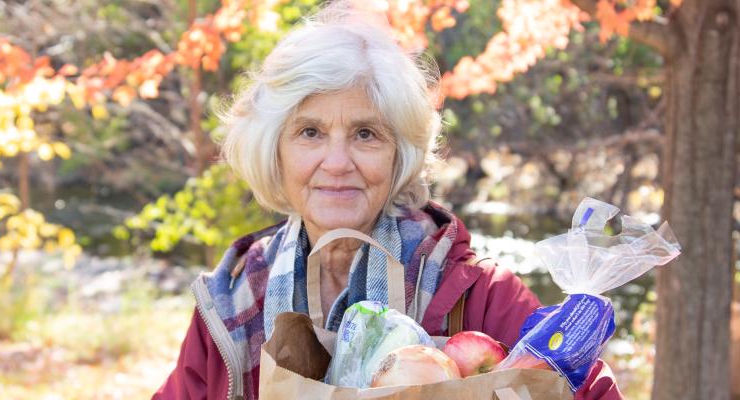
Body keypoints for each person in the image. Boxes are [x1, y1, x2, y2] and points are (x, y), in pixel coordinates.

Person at [152, 2, 621, 399]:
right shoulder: (230, 300)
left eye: (365, 134)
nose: (337, 162)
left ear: (399, 156)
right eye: (310, 132)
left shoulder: (478, 295)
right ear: (274, 149)